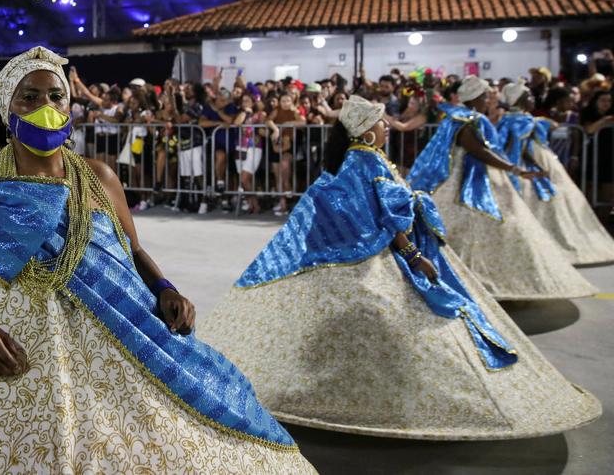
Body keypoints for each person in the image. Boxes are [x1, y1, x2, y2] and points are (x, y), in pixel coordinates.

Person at [0, 47, 315, 474]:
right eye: (30, 97)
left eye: (57, 97)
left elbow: (131, 249)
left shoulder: (98, 177)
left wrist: (164, 287)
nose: (46, 109)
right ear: (7, 110)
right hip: (4, 352)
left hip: (116, 335)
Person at [197, 95, 601, 440]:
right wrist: (411, 254)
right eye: (381, 121)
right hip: (380, 252)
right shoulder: (366, 161)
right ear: (365, 129)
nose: (388, 126)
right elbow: (386, 215)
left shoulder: (360, 159)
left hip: (374, 247)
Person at [408, 76, 595, 300]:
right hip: (470, 180)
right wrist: (514, 169)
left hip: (472, 175)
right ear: (476, 97)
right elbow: (480, 151)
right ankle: (469, 277)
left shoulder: (458, 116)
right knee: (475, 224)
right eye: (485, 96)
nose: (488, 100)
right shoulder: (469, 119)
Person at [497, 83, 614, 265]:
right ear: (520, 100)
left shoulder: (517, 119)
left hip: (536, 161)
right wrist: (530, 168)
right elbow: (517, 148)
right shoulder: (520, 121)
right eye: (529, 97)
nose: (533, 100)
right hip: (526, 164)